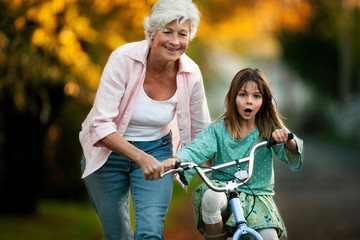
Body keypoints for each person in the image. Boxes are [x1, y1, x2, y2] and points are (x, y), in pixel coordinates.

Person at [79, 0, 211, 239]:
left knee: (150, 233)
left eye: (183, 34)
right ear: (152, 31)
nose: (175, 41)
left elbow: (203, 133)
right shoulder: (123, 59)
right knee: (118, 235)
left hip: (157, 150)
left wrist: (217, 172)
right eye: (167, 31)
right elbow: (100, 126)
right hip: (108, 153)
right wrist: (141, 158)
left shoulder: (191, 73)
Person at [162, 68, 303, 240]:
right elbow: (196, 149)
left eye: (256, 96)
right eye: (243, 94)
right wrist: (176, 160)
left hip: (257, 196)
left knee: (269, 237)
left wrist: (288, 139)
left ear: (264, 101)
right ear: (233, 97)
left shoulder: (268, 129)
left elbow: (293, 150)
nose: (249, 101)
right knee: (211, 199)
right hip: (223, 191)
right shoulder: (217, 130)